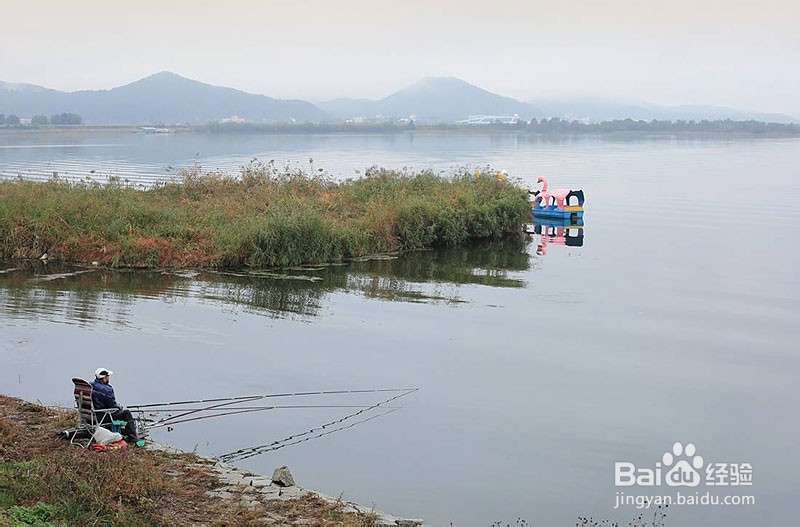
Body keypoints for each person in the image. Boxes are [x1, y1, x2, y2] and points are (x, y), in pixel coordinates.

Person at [90, 367, 140, 444]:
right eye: (108, 376)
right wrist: (118, 407)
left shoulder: (90, 385)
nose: (109, 378)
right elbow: (112, 406)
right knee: (126, 413)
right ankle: (133, 438)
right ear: (105, 378)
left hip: (90, 415)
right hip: (102, 416)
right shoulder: (107, 389)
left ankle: (124, 432)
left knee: (119, 412)